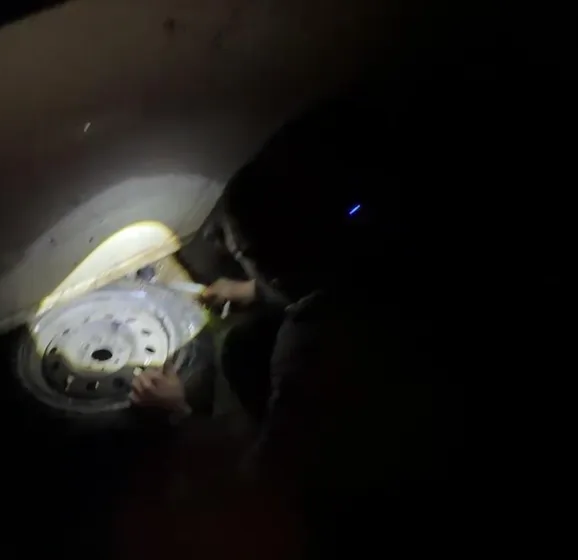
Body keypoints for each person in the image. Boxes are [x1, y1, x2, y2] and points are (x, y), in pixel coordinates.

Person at [128, 96, 432, 494]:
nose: (232, 255)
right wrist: (255, 292)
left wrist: (178, 411)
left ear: (273, 266)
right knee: (241, 345)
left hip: (375, 475)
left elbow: (266, 484)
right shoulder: (379, 243)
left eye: (241, 253)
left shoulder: (311, 351)